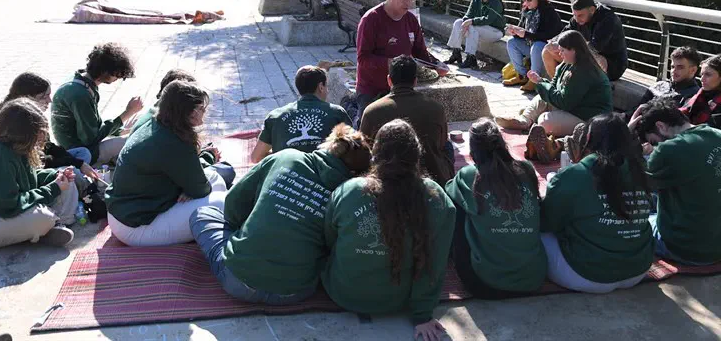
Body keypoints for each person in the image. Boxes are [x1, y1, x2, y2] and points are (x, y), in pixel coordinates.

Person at [189, 124, 371, 304]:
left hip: (239, 280)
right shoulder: (349, 195)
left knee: (202, 214)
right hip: (297, 290)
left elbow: (232, 209)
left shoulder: (285, 156)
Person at [322, 119, 456, 341]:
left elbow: (329, 240)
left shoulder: (348, 191)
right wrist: (422, 314)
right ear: (417, 155)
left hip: (343, 293)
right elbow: (437, 261)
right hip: (399, 300)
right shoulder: (437, 198)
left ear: (374, 154)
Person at [105, 81, 228, 247]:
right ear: (189, 112)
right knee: (223, 203)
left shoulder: (155, 122)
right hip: (136, 227)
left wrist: (191, 189)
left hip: (125, 213)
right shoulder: (174, 142)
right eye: (201, 108)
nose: (205, 111)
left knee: (215, 178)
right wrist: (191, 190)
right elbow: (200, 189)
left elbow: (197, 185)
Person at [540, 114, 654, 293]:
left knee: (533, 232)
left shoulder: (573, 175)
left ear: (588, 139)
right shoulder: (641, 169)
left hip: (587, 275)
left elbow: (547, 223)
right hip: (637, 271)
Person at [632, 97, 721, 265]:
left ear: (661, 126)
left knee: (629, 220)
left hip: (689, 248)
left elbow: (628, 183)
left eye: (653, 142)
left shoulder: (668, 149)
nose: (654, 148)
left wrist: (626, 137)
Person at [444, 118, 546, 298]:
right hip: (533, 279)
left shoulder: (469, 175)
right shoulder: (526, 168)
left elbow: (447, 192)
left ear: (473, 151)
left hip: (484, 284)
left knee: (457, 206)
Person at [496, 30, 612, 162]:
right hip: (574, 108)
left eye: (563, 50)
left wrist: (540, 83)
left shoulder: (584, 70)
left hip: (589, 118)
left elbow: (563, 102)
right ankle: (524, 121)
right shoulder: (567, 64)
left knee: (544, 120)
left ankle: (551, 143)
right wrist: (541, 82)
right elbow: (555, 88)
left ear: (574, 50)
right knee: (541, 98)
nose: (559, 54)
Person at [355, 0, 445, 122]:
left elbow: (419, 51)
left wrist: (436, 65)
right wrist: (390, 62)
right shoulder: (371, 19)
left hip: (401, 89)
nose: (408, 4)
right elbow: (363, 59)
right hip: (371, 88)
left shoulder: (410, 19)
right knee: (366, 130)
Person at [0, 99, 79, 248]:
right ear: (22, 132)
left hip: (6, 210)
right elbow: (8, 206)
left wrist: (54, 176)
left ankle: (56, 225)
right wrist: (54, 189)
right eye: (38, 132)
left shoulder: (17, 146)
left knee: (66, 180)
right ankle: (45, 228)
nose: (41, 137)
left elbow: (29, 179)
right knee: (42, 218)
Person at [130, 69, 236, 188]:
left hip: (141, 191)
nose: (204, 111)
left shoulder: (157, 120)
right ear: (185, 108)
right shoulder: (175, 137)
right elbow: (198, 186)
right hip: (154, 197)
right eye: (200, 106)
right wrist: (208, 156)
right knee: (226, 171)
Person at [360, 55, 454, 185]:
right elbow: (442, 143)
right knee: (448, 145)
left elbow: (364, 152)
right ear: (415, 81)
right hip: (433, 178)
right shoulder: (436, 108)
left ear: (389, 80)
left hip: (385, 181)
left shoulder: (372, 111)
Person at [0, 72, 99, 182]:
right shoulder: (16, 121)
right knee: (73, 171)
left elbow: (47, 145)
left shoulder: (30, 114)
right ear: (26, 98)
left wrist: (76, 161)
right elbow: (36, 161)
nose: (50, 101)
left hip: (43, 159)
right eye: (44, 97)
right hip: (31, 171)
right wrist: (74, 163)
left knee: (82, 153)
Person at [51, 43, 142, 167]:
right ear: (105, 71)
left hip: (74, 143)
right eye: (117, 74)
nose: (119, 78)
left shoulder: (79, 81)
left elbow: (91, 125)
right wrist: (128, 113)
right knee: (134, 142)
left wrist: (119, 130)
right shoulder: (81, 94)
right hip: (79, 153)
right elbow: (90, 139)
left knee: (124, 138)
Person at [251, 66, 352, 164]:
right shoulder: (337, 112)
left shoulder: (275, 116)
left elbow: (256, 157)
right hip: (326, 177)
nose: (327, 90)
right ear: (321, 87)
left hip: (287, 176)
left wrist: (282, 157)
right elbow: (354, 150)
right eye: (326, 87)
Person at [542, 0, 627, 81]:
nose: (577, 19)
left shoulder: (607, 19)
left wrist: (567, 46)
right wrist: (554, 43)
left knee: (598, 59)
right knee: (547, 51)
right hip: (586, 58)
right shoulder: (576, 19)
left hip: (612, 65)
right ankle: (558, 86)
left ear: (592, 10)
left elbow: (594, 48)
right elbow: (563, 36)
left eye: (580, 15)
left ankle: (599, 87)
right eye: (574, 15)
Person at [503, 0, 563, 91]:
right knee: (511, 42)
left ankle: (534, 80)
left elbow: (548, 35)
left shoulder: (549, 12)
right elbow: (525, 32)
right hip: (530, 45)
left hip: (544, 49)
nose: (526, 2)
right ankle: (522, 75)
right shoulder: (527, 11)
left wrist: (525, 34)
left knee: (537, 45)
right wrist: (515, 32)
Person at [445, 0, 505, 69]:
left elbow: (488, 19)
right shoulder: (475, 0)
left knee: (473, 27)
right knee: (458, 22)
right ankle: (456, 53)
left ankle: (471, 58)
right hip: (479, 28)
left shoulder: (495, 2)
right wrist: (465, 22)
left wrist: (471, 21)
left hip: (495, 31)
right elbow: (468, 15)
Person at [627, 46, 701, 119]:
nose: (673, 71)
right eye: (672, 67)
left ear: (693, 70)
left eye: (680, 67)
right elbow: (637, 109)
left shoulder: (693, 97)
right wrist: (624, 116)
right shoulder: (659, 85)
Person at [680, 54, 721, 138]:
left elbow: (711, 131)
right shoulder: (698, 97)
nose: (702, 79)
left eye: (708, 75)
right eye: (701, 74)